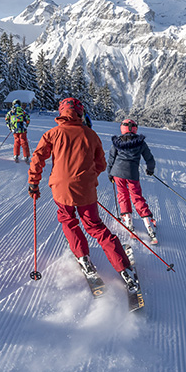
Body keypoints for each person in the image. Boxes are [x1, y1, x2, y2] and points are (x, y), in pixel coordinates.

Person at [28, 97, 136, 289]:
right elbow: (101, 164)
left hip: (61, 189)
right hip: (85, 190)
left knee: (69, 222)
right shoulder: (90, 135)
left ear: (61, 112)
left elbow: (37, 158)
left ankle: (83, 258)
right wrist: (86, 176)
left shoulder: (52, 134)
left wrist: (33, 184)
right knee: (95, 227)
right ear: (80, 113)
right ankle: (124, 269)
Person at [108, 118, 157, 241]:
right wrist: (150, 169)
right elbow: (149, 158)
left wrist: (110, 173)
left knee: (123, 195)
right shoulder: (140, 143)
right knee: (136, 197)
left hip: (117, 173)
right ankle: (148, 222)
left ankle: (127, 219)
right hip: (132, 174)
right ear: (135, 129)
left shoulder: (117, 142)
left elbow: (111, 159)